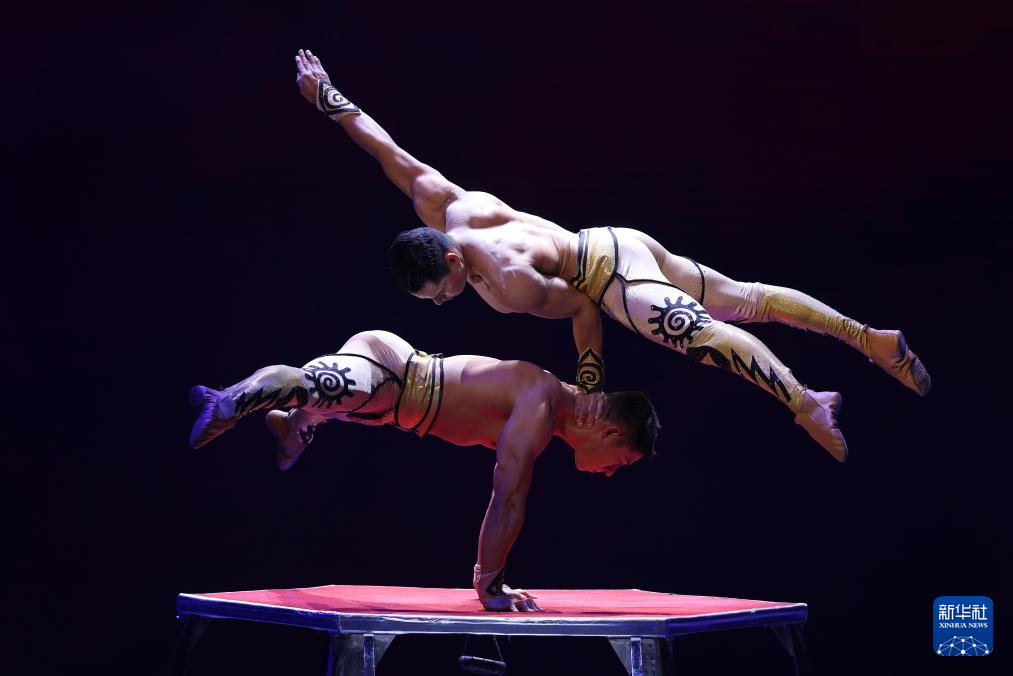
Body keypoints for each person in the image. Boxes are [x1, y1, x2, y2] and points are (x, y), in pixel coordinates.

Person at [292, 49, 931, 463]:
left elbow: (583, 311)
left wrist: (591, 383)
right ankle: (869, 339)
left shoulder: (507, 283)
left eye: (440, 293)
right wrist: (327, 96)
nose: (442, 303)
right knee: (749, 298)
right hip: (617, 239)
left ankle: (805, 403)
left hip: (611, 280)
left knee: (709, 337)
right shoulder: (448, 206)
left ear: (452, 264)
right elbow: (386, 149)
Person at [189, 329, 660, 612]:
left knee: (326, 407)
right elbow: (507, 499)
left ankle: (296, 425)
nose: (610, 473)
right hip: (390, 373)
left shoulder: (558, 405)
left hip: (389, 403)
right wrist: (489, 584)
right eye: (620, 462)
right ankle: (227, 401)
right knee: (308, 385)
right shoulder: (541, 405)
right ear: (610, 432)